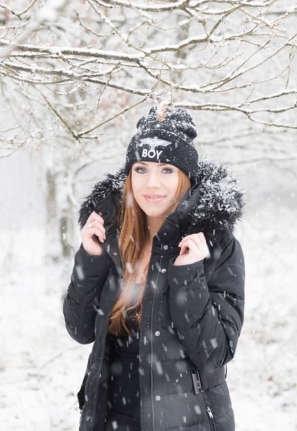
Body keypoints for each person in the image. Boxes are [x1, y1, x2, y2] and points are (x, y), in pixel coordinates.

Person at [63, 105, 246, 431]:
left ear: (184, 176)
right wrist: (90, 257)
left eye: (167, 170)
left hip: (186, 422)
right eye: (141, 169)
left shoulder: (216, 247)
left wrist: (189, 274)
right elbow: (81, 330)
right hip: (110, 418)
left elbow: (214, 353)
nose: (152, 183)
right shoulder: (114, 235)